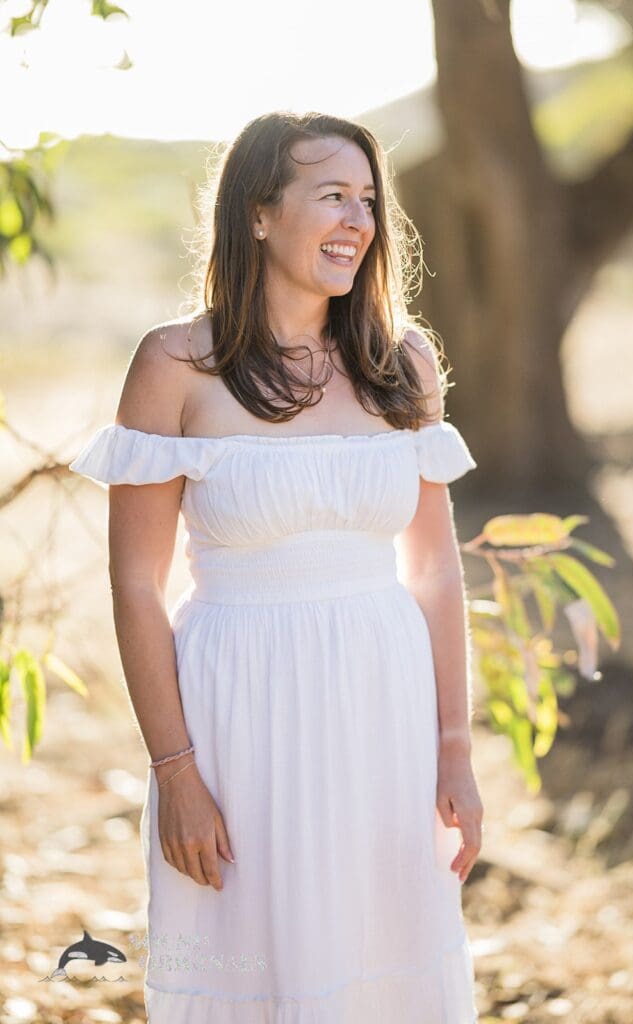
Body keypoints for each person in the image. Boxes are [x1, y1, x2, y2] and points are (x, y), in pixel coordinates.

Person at [69, 110, 484, 1023]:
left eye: (368, 199)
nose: (358, 220)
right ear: (257, 213)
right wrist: (176, 772)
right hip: (236, 713)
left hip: (385, 707)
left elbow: (435, 573)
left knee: (384, 964)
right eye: (331, 194)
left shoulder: (402, 364)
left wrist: (454, 748)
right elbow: (135, 585)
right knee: (250, 969)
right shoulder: (176, 364)